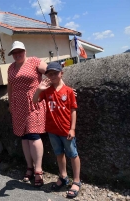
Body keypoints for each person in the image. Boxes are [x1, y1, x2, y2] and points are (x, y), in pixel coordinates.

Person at [32, 62, 81, 198]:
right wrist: (39, 89)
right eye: (50, 74)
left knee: (73, 154)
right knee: (59, 154)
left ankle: (76, 181)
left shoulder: (69, 91)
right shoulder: (46, 91)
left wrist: (72, 128)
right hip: (52, 130)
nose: (52, 76)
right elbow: (35, 101)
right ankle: (63, 176)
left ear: (61, 73)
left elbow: (73, 110)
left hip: (66, 130)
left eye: (55, 73)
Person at [7, 41, 47, 187]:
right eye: (14, 52)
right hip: (18, 104)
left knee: (33, 134)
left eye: (20, 51)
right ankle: (29, 167)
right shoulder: (11, 67)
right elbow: (10, 86)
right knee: (24, 136)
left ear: (25, 50)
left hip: (33, 101)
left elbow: (49, 72)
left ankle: (38, 170)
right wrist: (11, 103)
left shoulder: (34, 61)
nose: (17, 54)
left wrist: (60, 86)